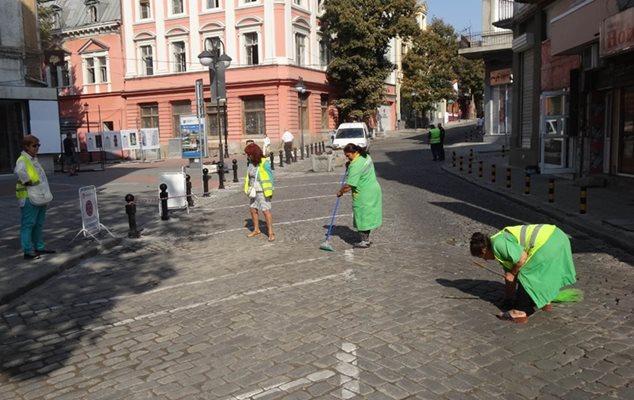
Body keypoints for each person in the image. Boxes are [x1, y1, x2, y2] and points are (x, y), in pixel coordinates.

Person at [470, 224, 577, 323]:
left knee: (526, 273)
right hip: (557, 236)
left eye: (482, 257)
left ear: (484, 250)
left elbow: (522, 259)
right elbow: (511, 279)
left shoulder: (498, 244)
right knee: (542, 272)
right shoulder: (499, 249)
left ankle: (520, 311)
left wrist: (512, 273)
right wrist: (508, 299)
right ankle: (545, 302)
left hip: (548, 241)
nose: (485, 260)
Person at [14, 135, 56, 260]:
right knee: (28, 224)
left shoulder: (33, 159)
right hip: (28, 197)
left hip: (39, 196)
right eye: (34, 145)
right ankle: (28, 250)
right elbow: (19, 171)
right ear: (26, 146)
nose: (37, 148)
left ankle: (39, 247)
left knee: (38, 224)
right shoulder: (23, 159)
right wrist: (28, 181)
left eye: (38, 145)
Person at [336, 143, 382, 248]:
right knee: (368, 215)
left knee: (361, 216)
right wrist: (350, 163)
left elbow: (349, 185)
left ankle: (364, 241)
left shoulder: (355, 165)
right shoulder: (365, 156)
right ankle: (367, 239)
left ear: (354, 152)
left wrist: (340, 192)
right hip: (373, 190)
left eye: (348, 156)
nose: (347, 158)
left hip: (363, 193)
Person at [244, 143, 275, 242]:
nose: (248, 156)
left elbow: (270, 177)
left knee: (266, 211)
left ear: (254, 153)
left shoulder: (264, 162)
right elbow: (249, 176)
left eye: (249, 154)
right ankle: (256, 229)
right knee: (253, 209)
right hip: (253, 190)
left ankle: (270, 232)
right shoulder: (250, 163)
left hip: (263, 190)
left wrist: (270, 191)